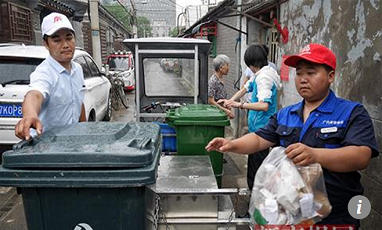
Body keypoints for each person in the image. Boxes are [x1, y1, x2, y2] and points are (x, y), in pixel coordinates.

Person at [206, 43, 379, 228]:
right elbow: (258, 139)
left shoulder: (351, 112)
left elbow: (361, 156)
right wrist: (231, 144)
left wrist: (316, 155)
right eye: (299, 73)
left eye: (310, 73)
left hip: (336, 217)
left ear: (331, 76)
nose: (303, 79)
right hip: (290, 216)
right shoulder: (286, 114)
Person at [218, 44, 282, 190]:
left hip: (262, 130)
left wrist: (240, 105)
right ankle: (256, 195)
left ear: (251, 64)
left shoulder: (264, 78)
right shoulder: (261, 74)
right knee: (257, 166)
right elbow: (246, 88)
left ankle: (255, 201)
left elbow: (263, 105)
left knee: (256, 169)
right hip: (258, 129)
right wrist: (230, 101)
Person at [15, 12, 86, 140]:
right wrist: (30, 115)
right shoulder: (44, 72)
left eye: (69, 38)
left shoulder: (78, 69)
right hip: (47, 147)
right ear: (46, 44)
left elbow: (79, 103)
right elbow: (35, 94)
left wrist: (85, 130)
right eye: (57, 40)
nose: (65, 45)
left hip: (72, 142)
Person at [208, 54, 234, 119]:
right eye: (227, 65)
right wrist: (225, 110)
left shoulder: (220, 79)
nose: (228, 68)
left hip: (220, 113)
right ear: (221, 68)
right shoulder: (213, 81)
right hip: (215, 115)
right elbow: (211, 101)